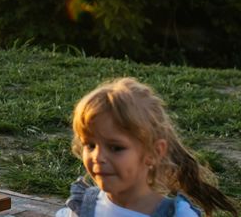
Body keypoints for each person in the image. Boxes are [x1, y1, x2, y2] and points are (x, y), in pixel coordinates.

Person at [58, 77, 236, 217]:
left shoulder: (178, 215)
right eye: (90, 145)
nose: (98, 156)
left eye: (115, 148)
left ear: (154, 152)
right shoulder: (80, 209)